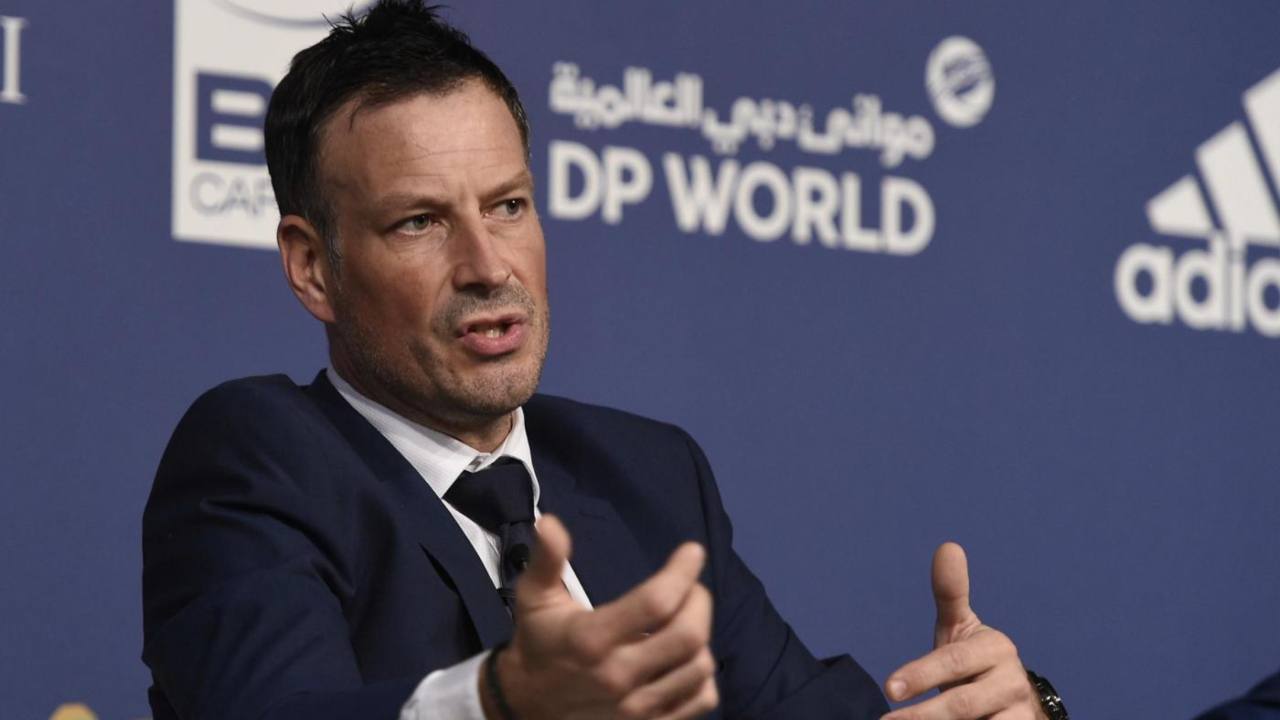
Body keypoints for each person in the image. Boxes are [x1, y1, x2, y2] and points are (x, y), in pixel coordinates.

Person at [141, 2, 1064, 718]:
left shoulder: (648, 477)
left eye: (507, 206)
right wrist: (500, 700)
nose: (488, 266)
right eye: (420, 222)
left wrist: (1008, 708)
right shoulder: (259, 458)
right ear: (314, 267)